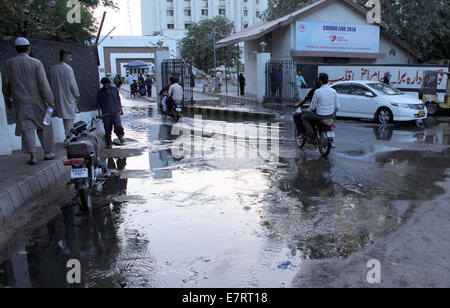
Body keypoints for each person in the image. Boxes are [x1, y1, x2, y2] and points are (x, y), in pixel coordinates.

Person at [2, 37, 56, 165]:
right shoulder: (36, 63)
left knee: (27, 128)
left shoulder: (8, 64)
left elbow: (5, 84)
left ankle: (32, 156)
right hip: (38, 101)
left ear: (16, 49)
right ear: (28, 48)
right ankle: (48, 152)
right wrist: (50, 101)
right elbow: (43, 84)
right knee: (45, 125)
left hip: (20, 102)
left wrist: (7, 99)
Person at [49, 49, 80, 139]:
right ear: (65, 57)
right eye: (70, 57)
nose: (71, 60)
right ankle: (69, 139)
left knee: (65, 120)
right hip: (68, 98)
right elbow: (73, 84)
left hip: (57, 98)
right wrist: (76, 95)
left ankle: (68, 138)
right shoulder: (68, 69)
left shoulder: (53, 69)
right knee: (69, 120)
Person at [301, 73, 340, 138]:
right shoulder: (333, 91)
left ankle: (311, 133)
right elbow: (337, 107)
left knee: (304, 117)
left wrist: (308, 111)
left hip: (319, 116)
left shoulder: (317, 91)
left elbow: (312, 107)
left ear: (320, 81)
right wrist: (332, 112)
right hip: (330, 116)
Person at [96, 78, 125, 149]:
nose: (105, 85)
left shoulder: (115, 90)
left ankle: (120, 137)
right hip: (106, 113)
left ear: (109, 84)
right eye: (104, 84)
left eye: (107, 84)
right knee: (107, 128)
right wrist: (100, 113)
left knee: (118, 125)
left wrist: (121, 109)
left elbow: (118, 99)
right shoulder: (100, 92)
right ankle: (109, 142)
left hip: (115, 111)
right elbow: (98, 103)